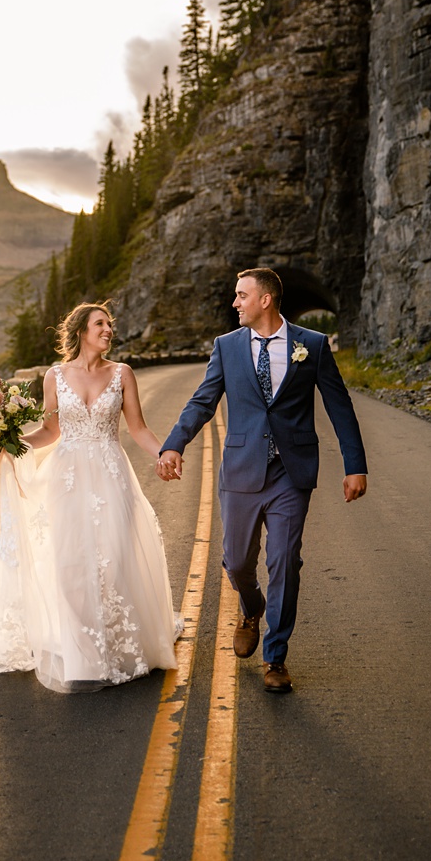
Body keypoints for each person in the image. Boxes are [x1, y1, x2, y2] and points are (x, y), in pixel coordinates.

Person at [0, 302, 180, 693]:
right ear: (80, 331)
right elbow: (50, 432)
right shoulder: (54, 376)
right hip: (67, 479)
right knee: (71, 565)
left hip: (111, 475)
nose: (108, 330)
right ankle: (84, 656)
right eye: (100, 324)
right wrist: (9, 443)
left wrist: (165, 453)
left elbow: (138, 427)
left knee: (114, 558)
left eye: (110, 325)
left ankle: (119, 647)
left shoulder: (122, 374)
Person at [157, 268, 367, 694]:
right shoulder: (227, 347)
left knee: (284, 561)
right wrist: (173, 444)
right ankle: (251, 609)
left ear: (265, 300)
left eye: (241, 295)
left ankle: (276, 656)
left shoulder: (311, 345)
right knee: (236, 562)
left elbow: (339, 406)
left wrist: (355, 465)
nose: (235, 303)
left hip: (292, 472)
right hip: (241, 470)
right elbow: (203, 400)